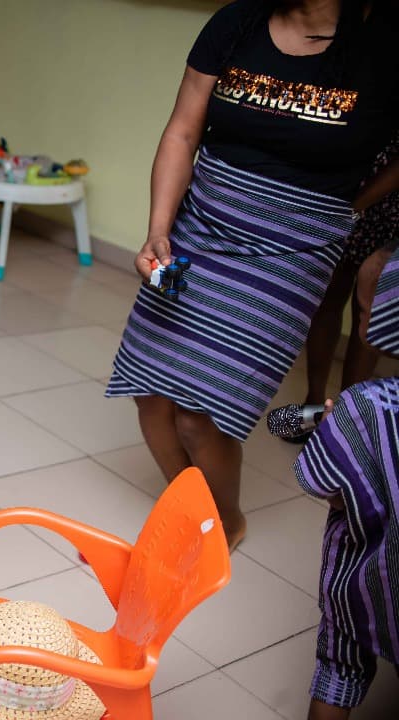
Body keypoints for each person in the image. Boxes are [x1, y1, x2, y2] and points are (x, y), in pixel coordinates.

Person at [105, 0, 399, 550]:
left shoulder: (385, 42)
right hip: (197, 228)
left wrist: (355, 206)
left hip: (294, 248)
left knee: (201, 415)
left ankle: (225, 524)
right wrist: (158, 230)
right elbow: (182, 132)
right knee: (150, 396)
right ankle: (194, 513)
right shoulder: (235, 23)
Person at [293, 377, 399, 719]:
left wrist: (337, 437)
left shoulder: (370, 402)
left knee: (340, 662)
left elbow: (331, 492)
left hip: (369, 580)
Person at [288, 135, 399, 443]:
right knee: (327, 295)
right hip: (342, 183)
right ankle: (315, 405)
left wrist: (354, 207)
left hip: (383, 203)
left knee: (372, 307)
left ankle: (348, 421)